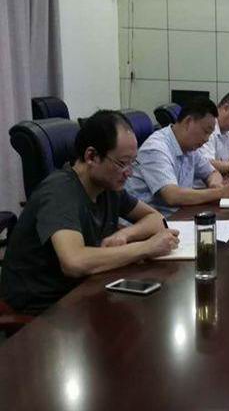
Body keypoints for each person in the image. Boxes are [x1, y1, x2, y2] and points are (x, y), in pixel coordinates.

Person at [0, 111, 179, 314]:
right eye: (122, 163)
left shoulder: (108, 186)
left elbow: (155, 218)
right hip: (45, 306)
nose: (129, 173)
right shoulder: (60, 192)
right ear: (91, 156)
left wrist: (125, 235)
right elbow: (74, 262)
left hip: (83, 288)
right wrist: (146, 247)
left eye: (133, 162)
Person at [125, 98, 229, 215]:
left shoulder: (190, 147)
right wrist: (220, 193)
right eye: (206, 132)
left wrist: (215, 184)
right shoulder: (156, 148)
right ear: (188, 122)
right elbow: (172, 196)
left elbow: (212, 173)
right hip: (150, 220)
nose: (206, 139)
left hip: (178, 215)